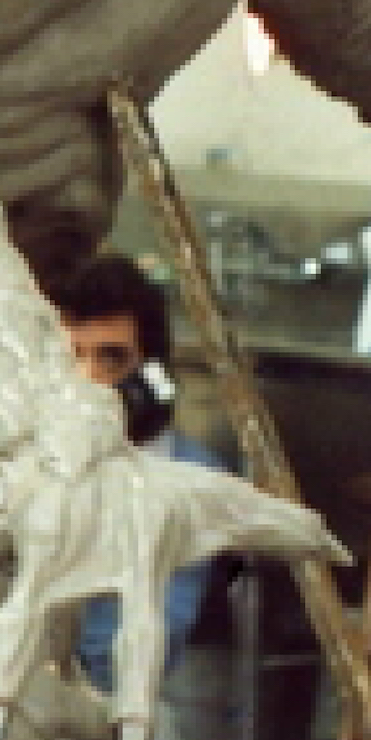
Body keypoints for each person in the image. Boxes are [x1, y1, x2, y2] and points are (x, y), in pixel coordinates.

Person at [43, 252, 230, 695]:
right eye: (73, 358)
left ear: (151, 373)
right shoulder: (25, 458)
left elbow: (131, 656)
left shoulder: (190, 480)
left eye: (111, 360)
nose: (89, 382)